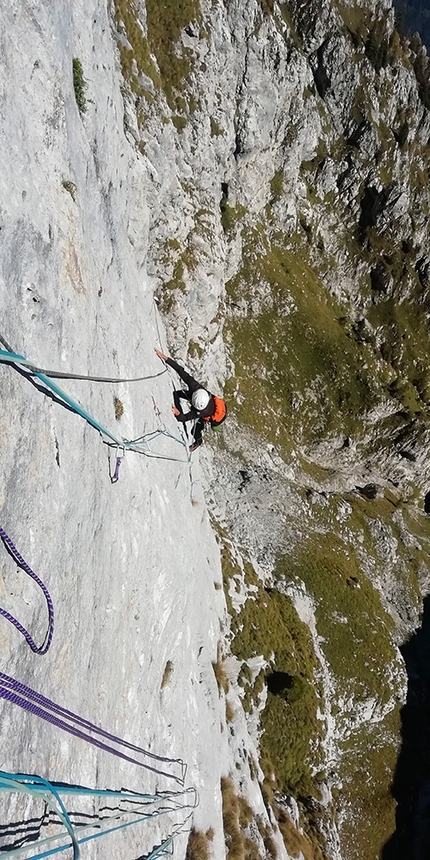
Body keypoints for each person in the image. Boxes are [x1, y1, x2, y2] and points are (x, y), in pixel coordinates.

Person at [154, 348, 227, 451]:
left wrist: (176, 412)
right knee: (178, 393)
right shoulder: (195, 387)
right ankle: (208, 431)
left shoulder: (200, 411)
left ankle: (199, 441)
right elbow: (180, 371)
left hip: (212, 416)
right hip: (211, 406)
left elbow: (182, 418)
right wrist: (164, 357)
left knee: (196, 429)